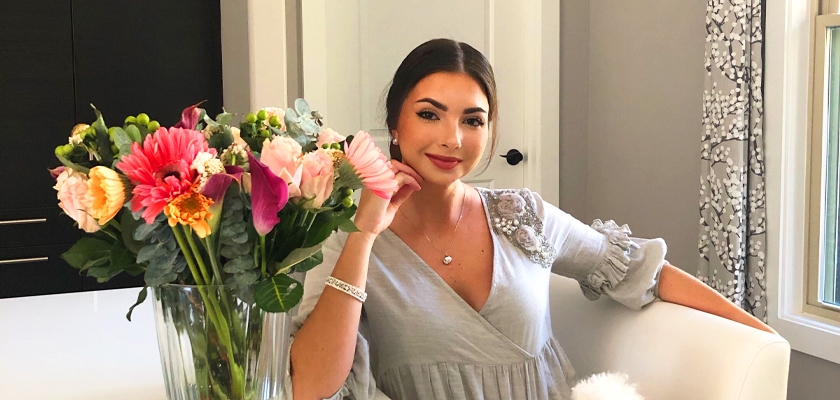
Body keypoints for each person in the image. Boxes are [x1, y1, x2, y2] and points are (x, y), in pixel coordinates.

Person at [287, 38, 775, 400]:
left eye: (473, 120)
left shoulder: (521, 213)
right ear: (395, 123)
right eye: (430, 114)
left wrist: (762, 335)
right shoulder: (344, 232)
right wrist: (366, 232)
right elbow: (310, 386)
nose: (453, 138)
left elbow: (644, 271)